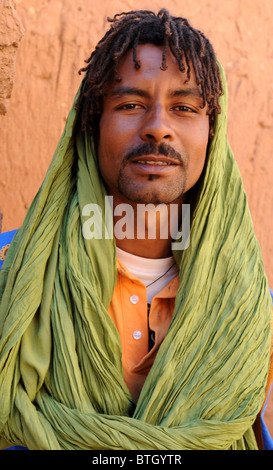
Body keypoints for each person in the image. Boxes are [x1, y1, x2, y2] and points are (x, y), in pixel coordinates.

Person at [0, 9, 272, 451]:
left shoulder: (249, 310)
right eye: (130, 105)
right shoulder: (12, 280)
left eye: (184, 108)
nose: (158, 127)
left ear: (212, 134)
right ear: (91, 126)